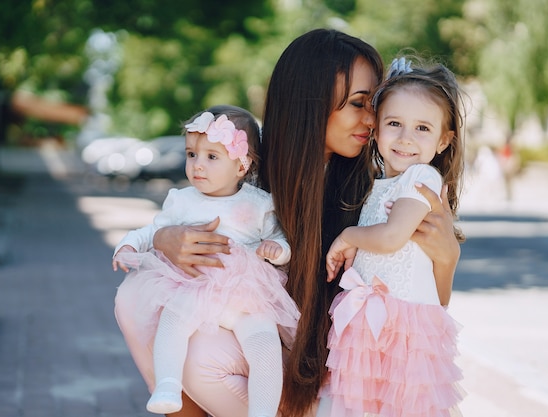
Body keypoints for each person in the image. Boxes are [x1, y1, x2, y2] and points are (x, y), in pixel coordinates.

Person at [113, 29, 461, 417]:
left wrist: (447, 258)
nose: (372, 119)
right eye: (359, 104)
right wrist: (164, 238)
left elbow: (426, 304)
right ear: (311, 103)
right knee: (141, 303)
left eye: (373, 105)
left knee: (201, 361)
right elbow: (198, 213)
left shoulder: (380, 185)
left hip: (340, 369)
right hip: (267, 343)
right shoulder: (255, 173)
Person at [112, 105, 299, 417]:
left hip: (246, 294)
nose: (198, 165)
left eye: (212, 157)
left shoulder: (259, 204)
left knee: (263, 343)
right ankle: (168, 387)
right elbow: (154, 230)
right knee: (172, 322)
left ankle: (262, 411)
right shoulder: (182, 199)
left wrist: (278, 250)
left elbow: (280, 237)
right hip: (196, 285)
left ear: (242, 165)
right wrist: (129, 244)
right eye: (191, 155)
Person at [320, 57, 466, 417]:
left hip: (404, 331)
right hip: (370, 322)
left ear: (444, 140)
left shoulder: (422, 178)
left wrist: (348, 235)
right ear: (376, 128)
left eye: (422, 128)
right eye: (395, 123)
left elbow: (391, 238)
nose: (405, 138)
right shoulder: (378, 185)